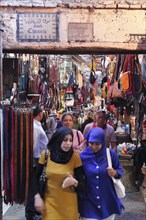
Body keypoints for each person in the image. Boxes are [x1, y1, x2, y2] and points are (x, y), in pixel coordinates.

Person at [34, 126, 85, 220]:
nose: (68, 143)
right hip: (50, 204)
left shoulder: (75, 158)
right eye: (65, 140)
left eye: (70, 140)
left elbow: (82, 185)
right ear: (58, 139)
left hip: (69, 206)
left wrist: (74, 182)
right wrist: (37, 196)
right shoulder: (45, 155)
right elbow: (36, 178)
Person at [79, 127, 124, 220]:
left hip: (108, 201)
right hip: (89, 201)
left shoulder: (110, 154)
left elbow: (120, 170)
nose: (94, 147)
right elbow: (78, 176)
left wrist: (115, 173)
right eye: (91, 143)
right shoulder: (82, 157)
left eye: (97, 144)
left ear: (102, 142)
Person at [25, 105, 48, 220]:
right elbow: (33, 146)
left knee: (34, 185)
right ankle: (30, 212)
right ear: (39, 114)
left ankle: (31, 211)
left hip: (38, 160)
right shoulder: (35, 127)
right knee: (33, 186)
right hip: (36, 160)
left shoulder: (36, 126)